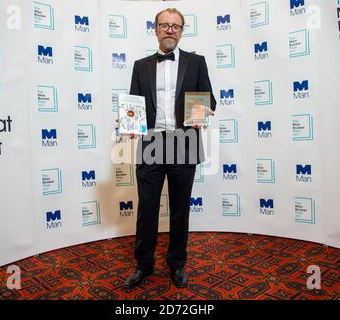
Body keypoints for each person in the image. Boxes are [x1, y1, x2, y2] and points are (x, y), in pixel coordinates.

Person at [124, 8, 216, 289]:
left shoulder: (196, 62)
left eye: (176, 26)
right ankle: (143, 265)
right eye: (165, 25)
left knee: (179, 210)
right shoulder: (141, 65)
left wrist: (201, 113)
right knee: (147, 209)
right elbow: (134, 103)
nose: (170, 30)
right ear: (155, 29)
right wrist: (130, 122)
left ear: (182, 30)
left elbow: (209, 99)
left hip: (183, 141)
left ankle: (177, 264)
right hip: (151, 141)